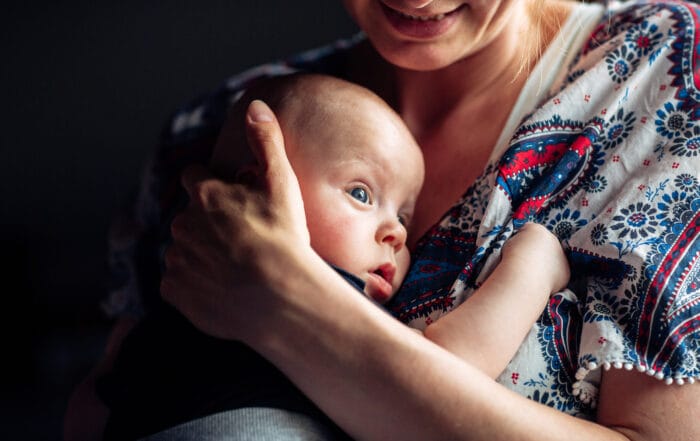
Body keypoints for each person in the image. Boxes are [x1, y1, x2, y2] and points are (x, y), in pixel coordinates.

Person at [66, 0, 700, 440]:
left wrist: (290, 302)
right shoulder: (216, 132)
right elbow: (98, 403)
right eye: (364, 196)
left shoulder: (670, 74)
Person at [97, 73, 569, 440]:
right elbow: (451, 371)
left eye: (404, 217)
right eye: (361, 194)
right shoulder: (315, 276)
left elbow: (88, 413)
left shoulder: (169, 302)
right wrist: (530, 267)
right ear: (256, 191)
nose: (395, 234)